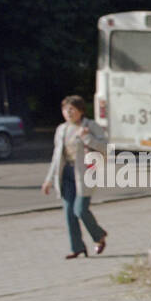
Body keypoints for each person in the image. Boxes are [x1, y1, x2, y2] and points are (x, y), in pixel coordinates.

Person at [41, 95, 108, 259]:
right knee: (69, 212)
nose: (68, 113)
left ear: (81, 111)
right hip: (67, 174)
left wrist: (87, 137)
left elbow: (106, 148)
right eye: (65, 110)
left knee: (80, 210)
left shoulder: (91, 126)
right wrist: (49, 179)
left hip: (85, 174)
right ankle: (77, 247)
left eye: (72, 109)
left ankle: (99, 236)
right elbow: (57, 156)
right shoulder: (61, 129)